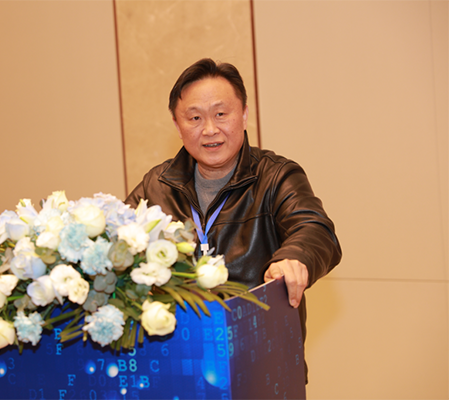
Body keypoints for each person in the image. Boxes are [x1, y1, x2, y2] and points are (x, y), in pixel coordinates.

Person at [125, 58, 342, 381]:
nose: (209, 130)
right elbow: (118, 239)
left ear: (244, 114)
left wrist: (294, 257)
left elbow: (314, 228)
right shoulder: (157, 185)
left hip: (262, 367)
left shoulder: (276, 176)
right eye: (195, 117)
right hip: (179, 368)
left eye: (221, 114)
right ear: (177, 125)